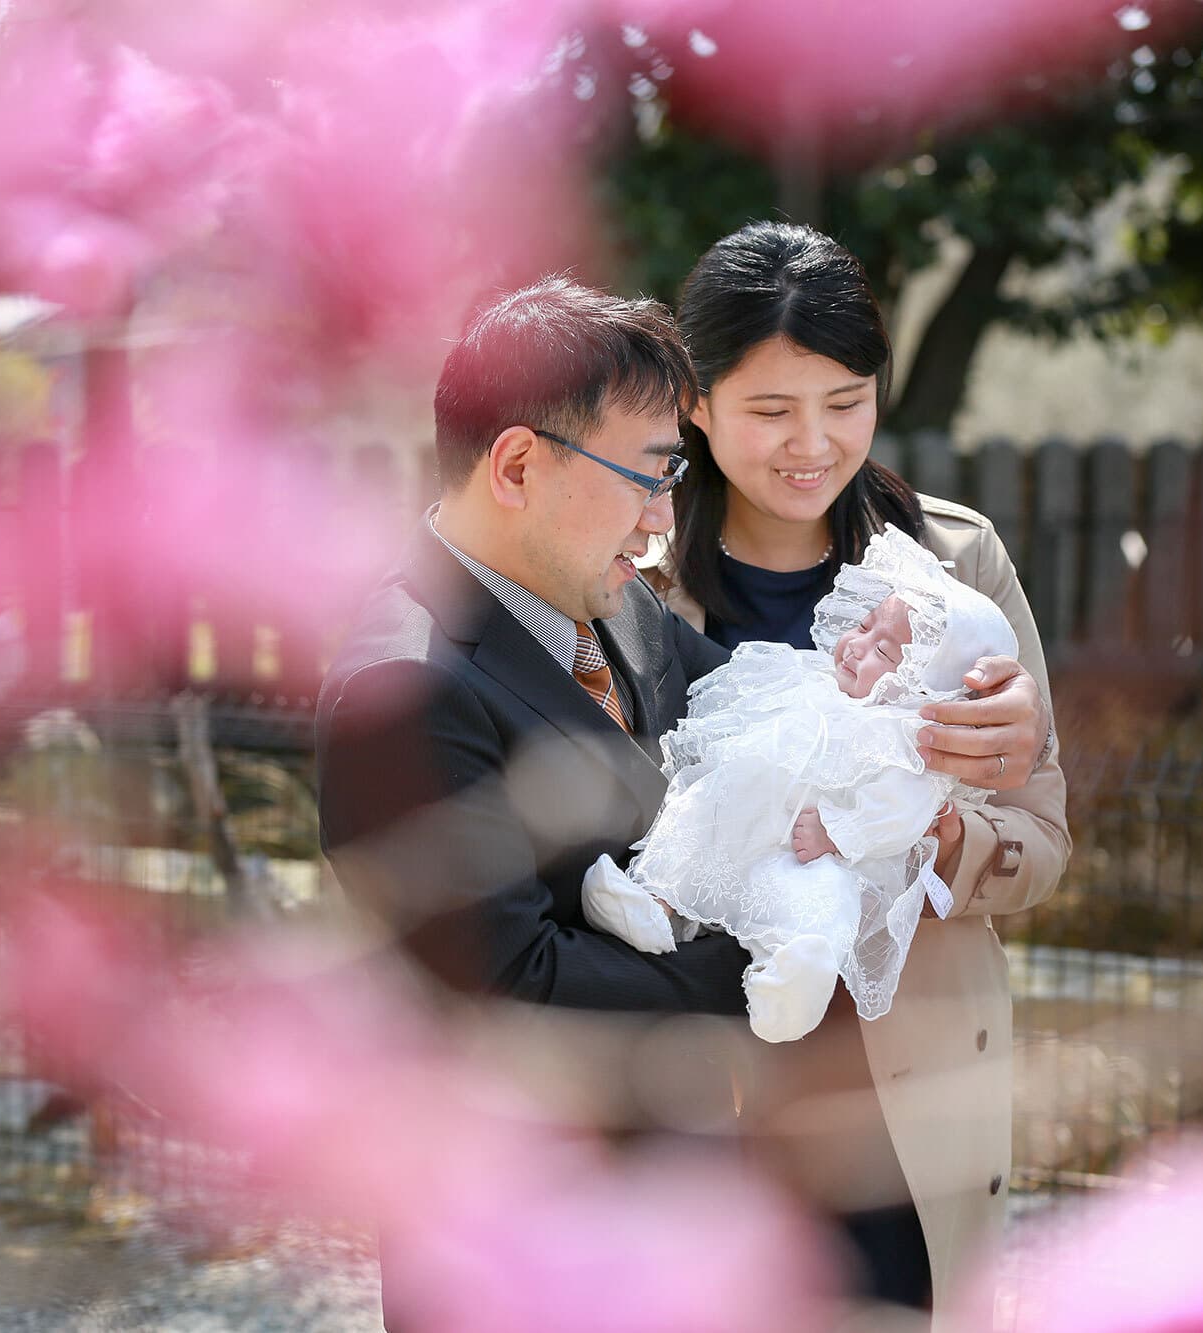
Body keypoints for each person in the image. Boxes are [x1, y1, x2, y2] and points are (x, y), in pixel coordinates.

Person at [314, 275, 1051, 1327]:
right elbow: (513, 990)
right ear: (518, 464)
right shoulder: (400, 689)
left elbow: (767, 698)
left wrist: (938, 699)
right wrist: (773, 940)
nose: (662, 519)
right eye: (645, 477)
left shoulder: (604, 603)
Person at [644, 220, 1069, 1319]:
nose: (812, 444)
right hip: (694, 1082)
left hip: (904, 1091)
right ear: (693, 403)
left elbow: (1041, 843)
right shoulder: (628, 580)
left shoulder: (954, 563)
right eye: (770, 410)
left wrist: (933, 832)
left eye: (844, 402)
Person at [583, 527, 1021, 1045]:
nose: (857, 647)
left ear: (923, 687)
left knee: (821, 897)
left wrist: (839, 830)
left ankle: (797, 974)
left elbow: (900, 811)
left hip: (810, 853)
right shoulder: (808, 678)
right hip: (743, 816)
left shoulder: (907, 743)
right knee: (696, 819)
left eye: (885, 651)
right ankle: (651, 901)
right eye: (862, 626)